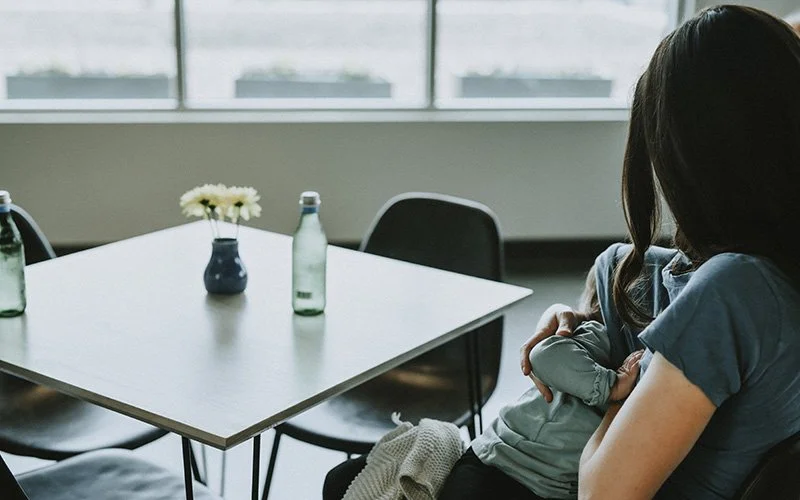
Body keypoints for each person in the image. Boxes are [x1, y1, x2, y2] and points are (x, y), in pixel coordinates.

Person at [326, 5, 800, 499]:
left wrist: (628, 385)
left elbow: (604, 492)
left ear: (690, 155)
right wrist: (571, 317)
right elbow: (631, 271)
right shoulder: (772, 274)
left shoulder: (734, 288)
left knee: (351, 481)